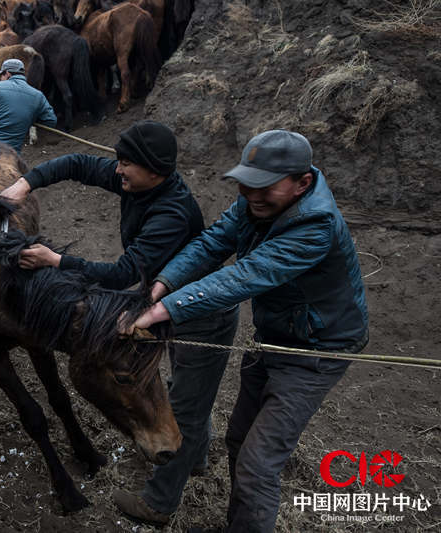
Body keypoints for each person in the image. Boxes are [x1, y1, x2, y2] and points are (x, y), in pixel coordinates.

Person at [120, 130, 369, 532]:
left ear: (302, 183)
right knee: (238, 438)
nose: (251, 193)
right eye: (246, 182)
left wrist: (163, 310)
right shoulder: (257, 202)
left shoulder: (316, 227)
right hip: (273, 335)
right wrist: (163, 284)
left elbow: (245, 275)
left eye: (263, 186)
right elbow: (214, 242)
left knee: (257, 465)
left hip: (316, 351)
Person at [0, 120, 239, 526]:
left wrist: (56, 261)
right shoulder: (137, 183)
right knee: (186, 386)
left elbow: (122, 272)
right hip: (166, 303)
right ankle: (195, 457)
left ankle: (159, 503)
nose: (118, 170)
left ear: (155, 171)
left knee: (184, 403)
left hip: (200, 313)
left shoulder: (170, 213)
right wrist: (25, 185)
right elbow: (76, 163)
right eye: (119, 161)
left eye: (127, 164)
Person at [0, 58, 57, 153]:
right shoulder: (38, 95)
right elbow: (51, 121)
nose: (1, 78)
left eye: (2, 75)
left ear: (8, 73)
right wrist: (29, 118)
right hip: (13, 151)